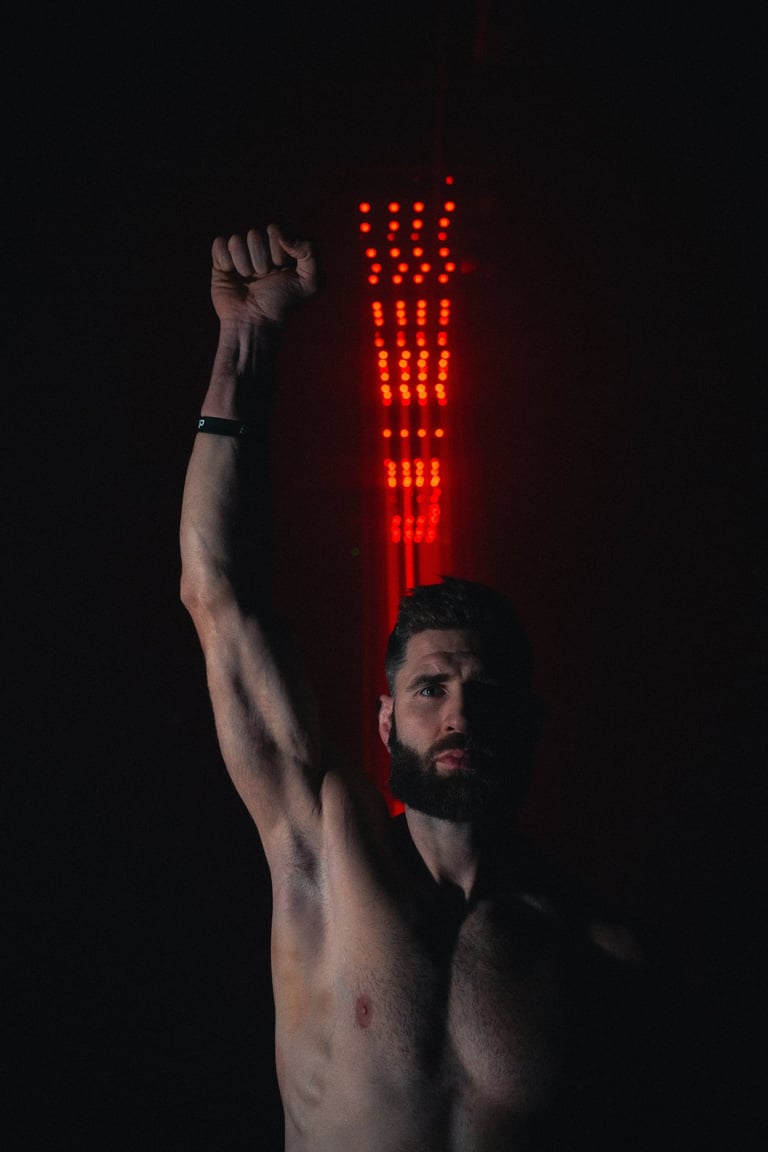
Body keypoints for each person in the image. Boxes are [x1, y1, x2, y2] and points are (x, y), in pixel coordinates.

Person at [180, 224, 669, 1150]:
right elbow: (220, 592)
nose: (458, 713)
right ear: (385, 717)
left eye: (485, 693)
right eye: (430, 688)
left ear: (530, 722)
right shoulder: (320, 854)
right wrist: (246, 341)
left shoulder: (600, 949)